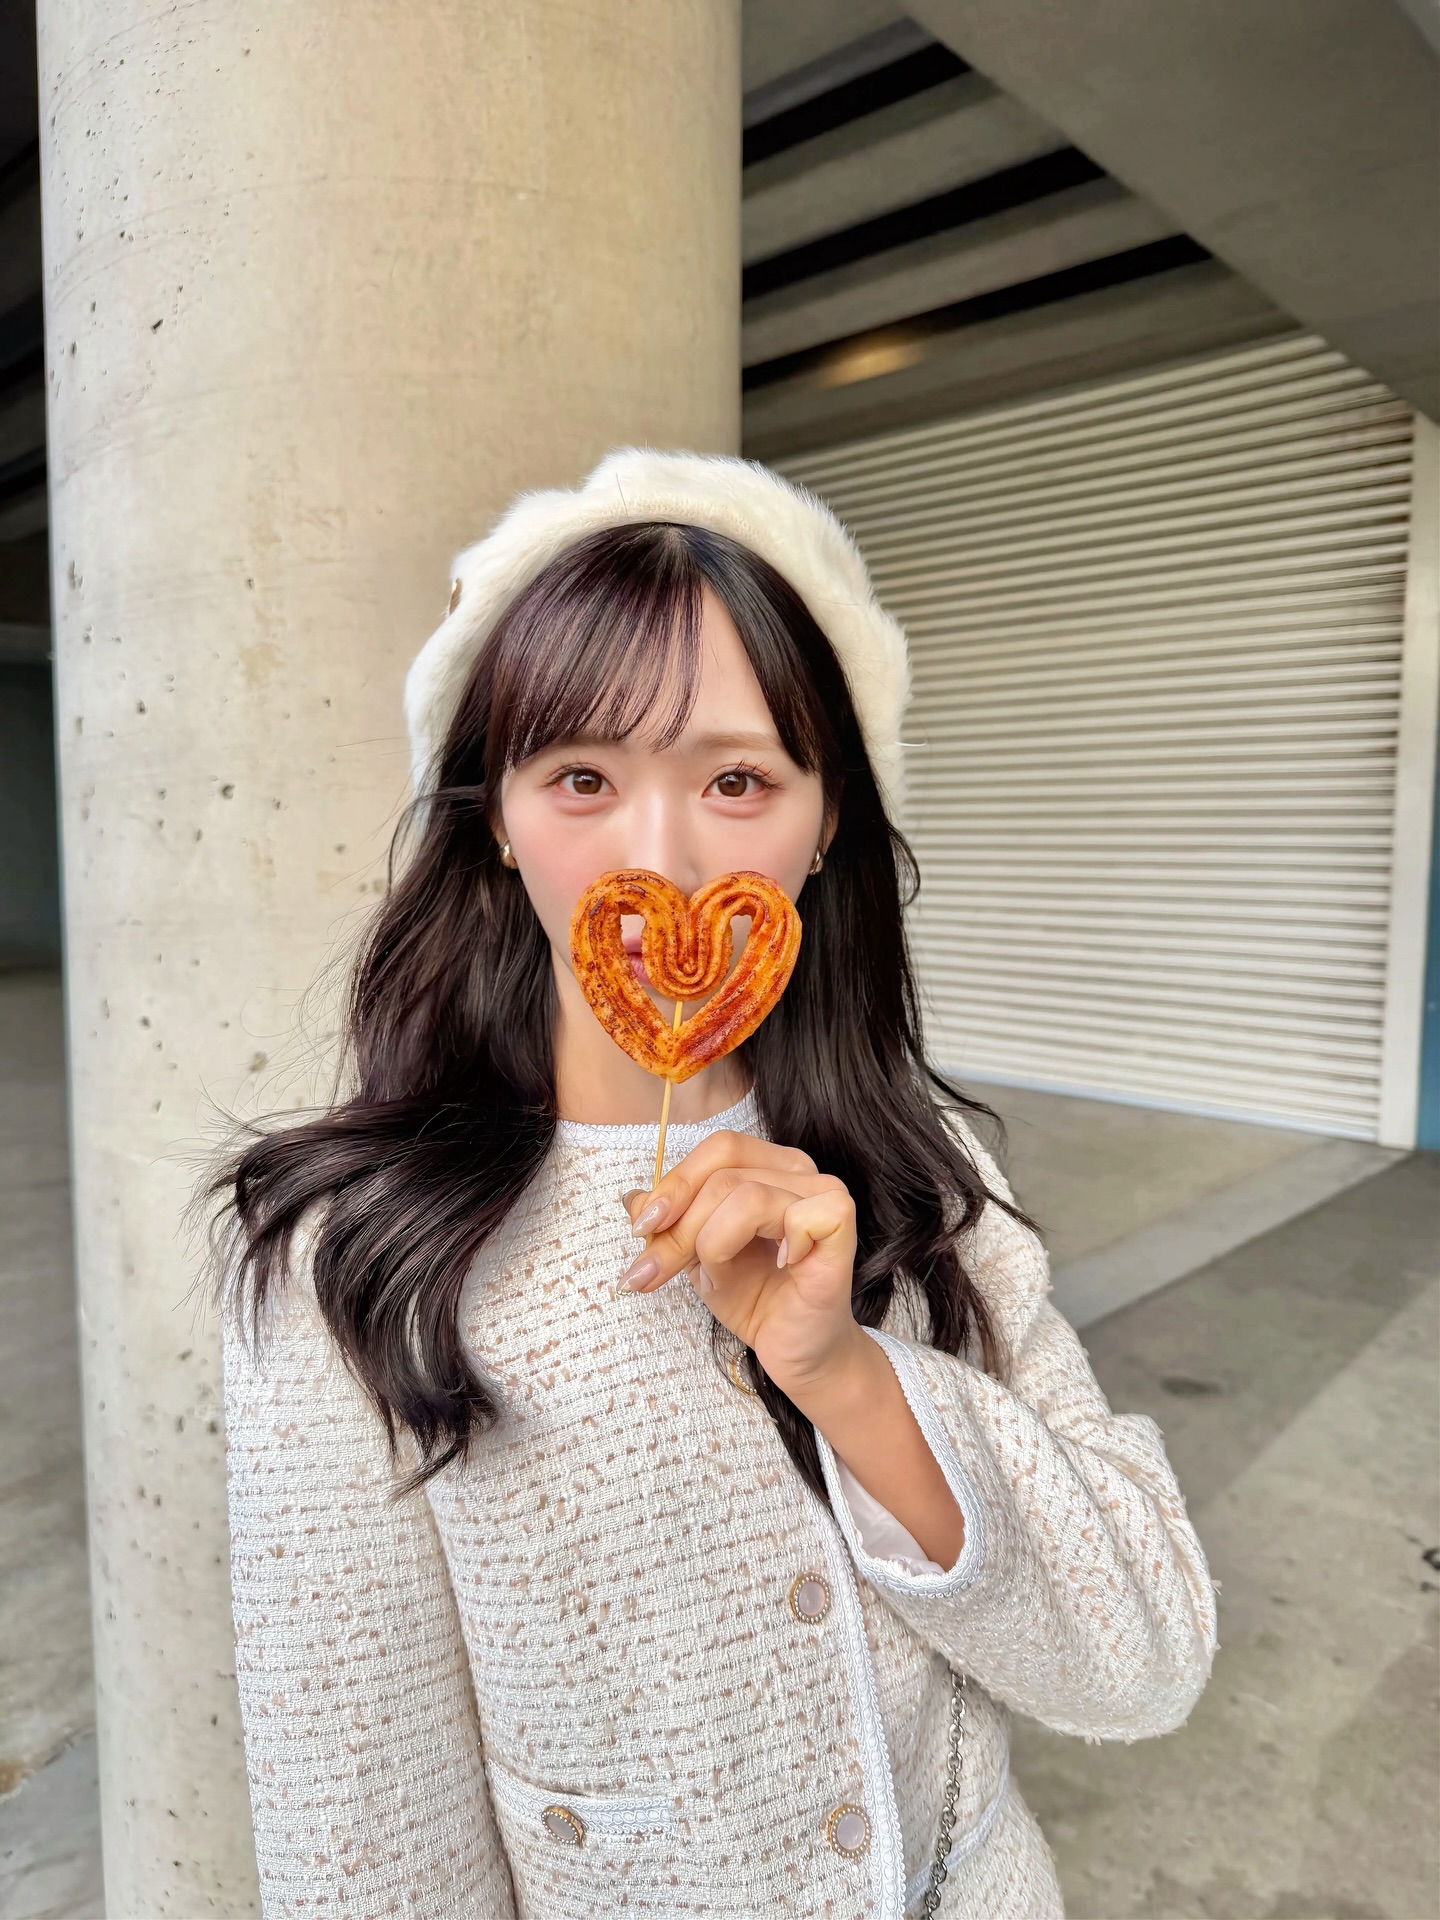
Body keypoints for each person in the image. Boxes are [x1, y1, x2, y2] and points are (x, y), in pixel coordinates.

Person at [215, 448, 1216, 1920]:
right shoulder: (353, 1257)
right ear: (496, 819)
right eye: (581, 778)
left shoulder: (927, 1176)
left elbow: (1149, 1659)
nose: (661, 856)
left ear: (828, 820)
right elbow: (361, 1843)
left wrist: (851, 1377)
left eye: (737, 780)